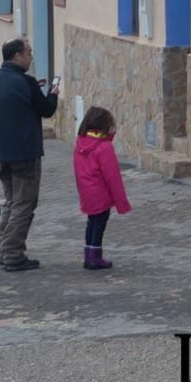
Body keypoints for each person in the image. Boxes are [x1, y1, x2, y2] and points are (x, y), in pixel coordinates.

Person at [0, 39, 59, 272]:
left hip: (1, 151)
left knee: (11, 201)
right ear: (17, 56)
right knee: (25, 202)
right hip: (24, 152)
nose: (31, 57)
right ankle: (13, 252)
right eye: (28, 53)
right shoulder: (25, 82)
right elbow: (47, 109)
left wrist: (33, 89)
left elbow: (13, 102)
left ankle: (4, 248)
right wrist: (53, 93)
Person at [73, 107, 132, 270]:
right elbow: (113, 177)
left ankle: (88, 255)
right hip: (101, 194)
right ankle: (95, 258)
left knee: (91, 223)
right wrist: (122, 202)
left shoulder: (80, 143)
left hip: (87, 192)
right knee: (99, 224)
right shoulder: (104, 148)